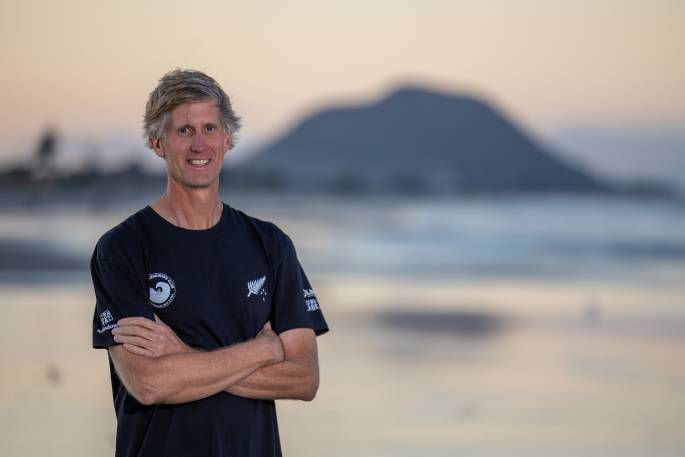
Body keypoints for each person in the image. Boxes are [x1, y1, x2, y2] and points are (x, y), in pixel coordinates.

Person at [90, 68, 329, 457]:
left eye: (210, 129)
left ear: (227, 138)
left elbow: (304, 378)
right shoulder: (121, 249)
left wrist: (182, 358)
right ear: (157, 143)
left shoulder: (270, 245)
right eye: (184, 131)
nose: (199, 145)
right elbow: (150, 384)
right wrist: (263, 351)